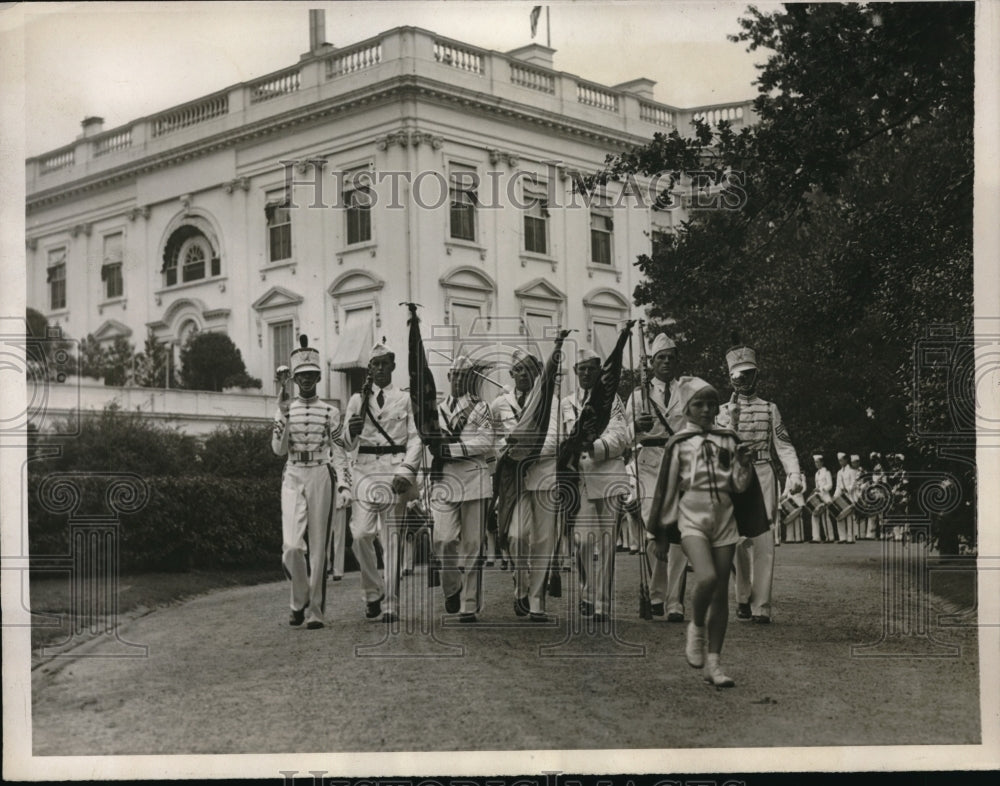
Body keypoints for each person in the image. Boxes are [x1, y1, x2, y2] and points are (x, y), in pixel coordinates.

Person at [650, 377, 755, 687]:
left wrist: (745, 466)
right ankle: (695, 627)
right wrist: (659, 532)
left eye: (712, 404)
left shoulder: (728, 439)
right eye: (699, 404)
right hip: (691, 520)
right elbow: (666, 490)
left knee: (721, 590)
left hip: (724, 520)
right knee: (706, 577)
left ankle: (714, 663)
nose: (707, 410)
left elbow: (737, 485)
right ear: (687, 409)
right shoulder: (679, 444)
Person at [717, 345, 804, 624]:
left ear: (757, 375)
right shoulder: (722, 411)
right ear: (730, 378)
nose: (743, 381)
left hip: (764, 472)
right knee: (739, 540)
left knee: (764, 540)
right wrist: (730, 421)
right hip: (735, 474)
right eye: (738, 376)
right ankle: (743, 597)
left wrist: (794, 474)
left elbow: (785, 446)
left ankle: (761, 605)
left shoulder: (770, 408)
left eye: (748, 375)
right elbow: (720, 447)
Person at [341, 339, 423, 624]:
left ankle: (391, 604)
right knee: (361, 535)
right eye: (374, 365)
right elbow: (343, 443)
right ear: (369, 369)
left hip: (393, 472)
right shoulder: (356, 399)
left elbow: (415, 437)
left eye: (384, 364)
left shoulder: (404, 399)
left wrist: (406, 471)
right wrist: (351, 430)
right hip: (364, 471)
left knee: (392, 541)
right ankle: (372, 592)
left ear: (393, 366)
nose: (379, 370)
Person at [271, 335, 351, 629]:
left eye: (311, 376)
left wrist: (344, 484)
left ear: (318, 376)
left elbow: (340, 450)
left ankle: (315, 610)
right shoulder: (284, 408)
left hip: (320, 472)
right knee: (292, 546)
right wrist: (282, 414)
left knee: (319, 548)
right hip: (292, 473)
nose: (306, 380)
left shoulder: (330, 411)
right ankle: (298, 599)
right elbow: (278, 450)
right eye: (301, 376)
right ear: (293, 378)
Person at [561, 347, 630, 621]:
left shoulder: (612, 401)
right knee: (582, 542)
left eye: (592, 368)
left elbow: (620, 437)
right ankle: (588, 592)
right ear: (576, 372)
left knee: (607, 543)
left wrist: (594, 445)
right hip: (579, 480)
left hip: (608, 476)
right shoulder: (566, 403)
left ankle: (601, 603)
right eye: (582, 369)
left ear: (600, 371)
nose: (587, 373)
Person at [492, 347, 560, 622]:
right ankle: (521, 585)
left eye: (528, 369)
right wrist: (504, 450)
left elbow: (554, 439)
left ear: (536, 373)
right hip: (514, 480)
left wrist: (524, 450)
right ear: (511, 373)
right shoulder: (500, 404)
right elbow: (494, 439)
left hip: (543, 475)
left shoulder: (549, 401)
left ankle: (537, 602)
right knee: (517, 535)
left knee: (543, 540)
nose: (522, 374)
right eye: (517, 369)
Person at [623, 333, 689, 622]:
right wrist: (636, 426)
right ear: (650, 362)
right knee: (653, 531)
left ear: (676, 362)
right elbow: (624, 436)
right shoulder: (638, 395)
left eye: (670, 358)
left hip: (680, 463)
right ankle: (656, 595)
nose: (665, 362)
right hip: (648, 464)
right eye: (660, 358)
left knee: (678, 534)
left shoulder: (686, 391)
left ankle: (675, 601)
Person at [430, 355, 495, 623]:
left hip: (474, 480)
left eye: (463, 375)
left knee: (472, 544)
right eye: (454, 374)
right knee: (442, 540)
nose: (457, 379)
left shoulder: (482, 408)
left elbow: (486, 442)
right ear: (448, 377)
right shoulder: (435, 409)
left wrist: (452, 450)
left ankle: (469, 604)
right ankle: (452, 588)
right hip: (445, 480)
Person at [834, 452, 857, 543]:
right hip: (841, 497)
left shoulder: (852, 471)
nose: (840, 462)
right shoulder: (839, 472)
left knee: (849, 518)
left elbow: (854, 483)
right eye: (839, 461)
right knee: (839, 516)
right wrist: (835, 496)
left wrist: (847, 489)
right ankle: (842, 537)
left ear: (846, 460)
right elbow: (838, 486)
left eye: (842, 460)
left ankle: (850, 538)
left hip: (849, 496)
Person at [812, 453, 834, 544]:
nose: (816, 464)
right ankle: (816, 537)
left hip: (825, 497)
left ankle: (830, 537)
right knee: (814, 516)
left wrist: (820, 489)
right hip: (818, 498)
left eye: (817, 462)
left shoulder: (827, 472)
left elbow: (830, 485)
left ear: (821, 462)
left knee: (825, 517)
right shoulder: (816, 474)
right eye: (815, 462)